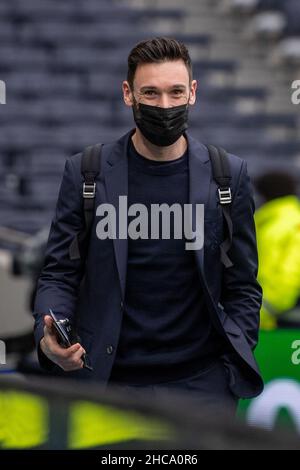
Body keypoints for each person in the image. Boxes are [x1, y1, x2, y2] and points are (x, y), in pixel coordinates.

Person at [33, 37, 263, 411]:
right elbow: (59, 273)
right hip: (106, 383)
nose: (165, 105)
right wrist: (50, 337)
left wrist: (228, 368)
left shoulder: (227, 175)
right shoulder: (86, 172)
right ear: (128, 94)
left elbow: (243, 285)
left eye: (175, 92)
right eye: (151, 93)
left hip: (202, 388)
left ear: (193, 93)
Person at [254, 170, 300, 329]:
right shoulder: (266, 222)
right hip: (259, 313)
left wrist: (259, 311)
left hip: (271, 320)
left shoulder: (287, 224)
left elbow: (288, 276)